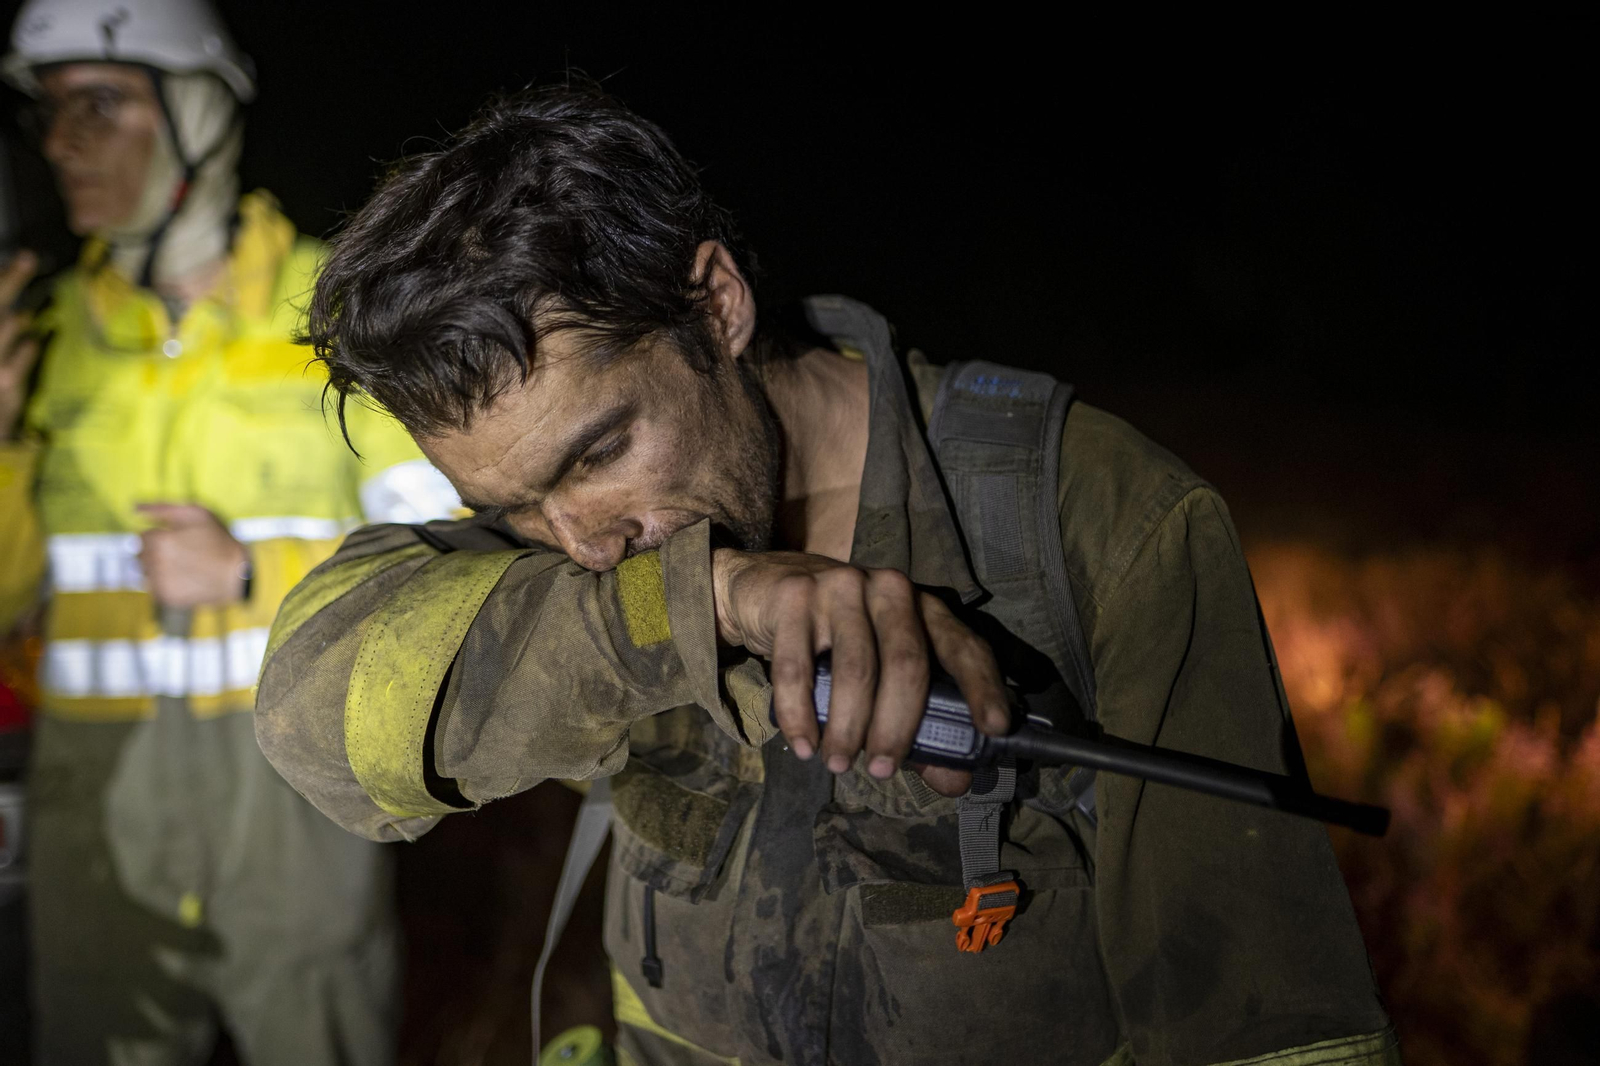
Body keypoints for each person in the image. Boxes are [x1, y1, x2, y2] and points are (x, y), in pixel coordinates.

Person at [255, 81, 1401, 1066]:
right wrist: (700, 599)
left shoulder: (1089, 516)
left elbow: (1267, 1018)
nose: (583, 541)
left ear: (716, 305)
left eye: (601, 451)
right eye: (504, 507)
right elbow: (318, 721)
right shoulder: (573, 544)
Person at [0, 0, 459, 1061]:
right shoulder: (43, 337)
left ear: (199, 111)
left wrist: (257, 570)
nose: (64, 144)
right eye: (51, 114)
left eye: (101, 105)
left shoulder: (338, 311)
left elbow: (456, 552)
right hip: (102, 836)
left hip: (291, 814)